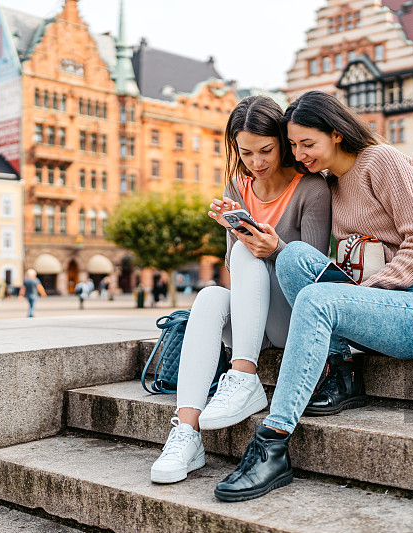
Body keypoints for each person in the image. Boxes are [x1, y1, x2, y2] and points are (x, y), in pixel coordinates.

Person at [213, 91, 413, 502]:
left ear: (338, 133)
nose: (299, 153)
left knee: (318, 299)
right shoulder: (330, 181)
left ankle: (272, 444)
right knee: (293, 258)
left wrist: (357, 297)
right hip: (377, 305)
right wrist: (264, 244)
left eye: (307, 144)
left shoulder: (384, 161)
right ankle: (340, 370)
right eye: (293, 145)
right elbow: (320, 260)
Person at [149, 95, 332, 485]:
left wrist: (274, 248)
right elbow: (234, 269)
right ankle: (187, 432)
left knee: (253, 255)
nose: (256, 162)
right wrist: (235, 234)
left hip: (292, 317)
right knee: (211, 295)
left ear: (282, 142)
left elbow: (313, 272)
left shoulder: (311, 188)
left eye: (265, 150)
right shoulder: (237, 186)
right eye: (245, 153)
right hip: (253, 323)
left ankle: (245, 378)